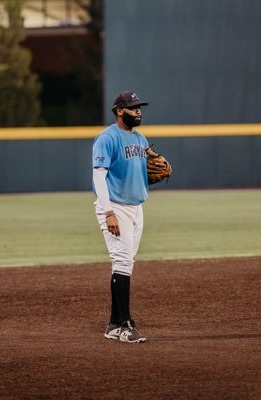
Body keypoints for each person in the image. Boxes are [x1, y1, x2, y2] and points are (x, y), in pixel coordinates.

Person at [92, 90, 150, 343]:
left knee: (126, 263)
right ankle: (124, 324)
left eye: (139, 107)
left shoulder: (141, 138)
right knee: (123, 262)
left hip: (137, 207)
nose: (137, 111)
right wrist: (108, 213)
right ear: (119, 111)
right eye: (132, 107)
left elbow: (142, 171)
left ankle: (114, 324)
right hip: (115, 207)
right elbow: (98, 176)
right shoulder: (107, 138)